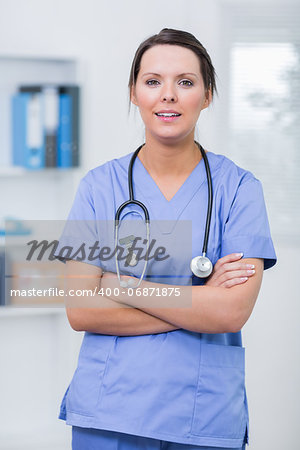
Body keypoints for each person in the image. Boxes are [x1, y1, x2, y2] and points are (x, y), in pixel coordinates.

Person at [56, 28, 277, 450]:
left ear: (207, 95)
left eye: (186, 82)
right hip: (110, 412)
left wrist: (122, 286)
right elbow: (82, 309)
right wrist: (198, 303)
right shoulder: (99, 188)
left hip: (204, 412)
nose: (168, 95)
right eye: (153, 81)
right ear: (134, 93)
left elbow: (231, 314)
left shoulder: (240, 190)